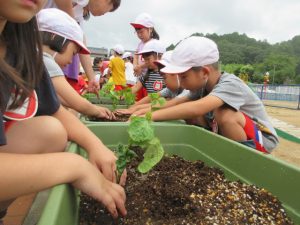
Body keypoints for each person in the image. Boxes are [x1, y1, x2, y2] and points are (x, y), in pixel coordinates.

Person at [0, 1, 126, 222]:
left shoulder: (21, 48)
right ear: (58, 41)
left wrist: (96, 146)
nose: (71, 60)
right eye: (74, 52)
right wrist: (75, 166)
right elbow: (75, 104)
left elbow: (56, 110)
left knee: (51, 130)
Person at [151, 36, 279, 153]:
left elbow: (197, 108)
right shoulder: (201, 87)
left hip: (262, 138)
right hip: (240, 133)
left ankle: (242, 161)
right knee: (191, 112)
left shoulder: (231, 84)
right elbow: (175, 103)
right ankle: (211, 150)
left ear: (205, 73)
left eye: (183, 76)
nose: (181, 82)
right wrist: (139, 112)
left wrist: (150, 117)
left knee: (225, 114)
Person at [38, 8, 114, 119]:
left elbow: (58, 97)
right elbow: (76, 102)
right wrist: (96, 111)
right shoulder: (46, 61)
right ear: (55, 38)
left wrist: (93, 108)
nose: (70, 61)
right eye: (73, 53)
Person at [43, 0, 122, 94]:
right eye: (107, 10)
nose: (104, 14)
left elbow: (81, 41)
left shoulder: (79, 14)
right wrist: (71, 25)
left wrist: (92, 78)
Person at [117, 51, 190, 116]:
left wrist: (140, 112)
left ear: (176, 73)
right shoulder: (169, 89)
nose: (163, 81)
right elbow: (152, 97)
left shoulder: (188, 92)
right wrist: (136, 107)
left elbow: (171, 104)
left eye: (164, 78)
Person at [130, 12, 160, 100]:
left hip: (151, 77)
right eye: (137, 32)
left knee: (149, 100)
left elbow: (153, 61)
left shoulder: (154, 43)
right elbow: (136, 55)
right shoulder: (140, 44)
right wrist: (135, 66)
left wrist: (140, 66)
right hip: (141, 78)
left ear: (150, 29)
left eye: (141, 32)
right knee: (139, 99)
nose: (139, 35)